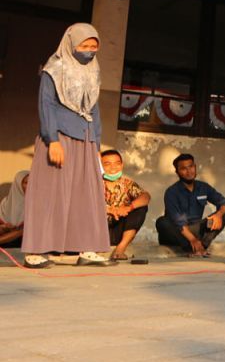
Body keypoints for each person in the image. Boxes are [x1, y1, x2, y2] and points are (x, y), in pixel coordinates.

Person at [21, 23, 110, 269]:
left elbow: (94, 108)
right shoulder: (55, 68)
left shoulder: (93, 70)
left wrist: (96, 142)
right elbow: (46, 105)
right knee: (49, 194)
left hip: (86, 138)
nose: (90, 51)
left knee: (86, 195)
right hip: (60, 136)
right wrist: (52, 140)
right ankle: (35, 251)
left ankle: (87, 248)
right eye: (84, 45)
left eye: (94, 46)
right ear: (71, 44)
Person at [155, 154, 225, 257]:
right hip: (176, 233)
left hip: (196, 229)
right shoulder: (171, 192)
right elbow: (178, 222)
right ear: (177, 172)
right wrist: (193, 239)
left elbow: (224, 201)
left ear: (195, 167)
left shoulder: (203, 187)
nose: (189, 171)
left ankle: (201, 247)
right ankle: (193, 248)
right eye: (183, 169)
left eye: (191, 166)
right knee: (162, 222)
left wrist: (219, 214)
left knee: (223, 215)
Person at [100, 149, 150, 260]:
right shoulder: (93, 183)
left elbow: (146, 197)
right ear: (100, 166)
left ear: (122, 165)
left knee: (140, 207)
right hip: (98, 231)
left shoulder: (128, 184)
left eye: (117, 163)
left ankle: (120, 248)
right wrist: (109, 210)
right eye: (107, 164)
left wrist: (128, 207)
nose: (113, 167)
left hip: (118, 232)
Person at [0, 170, 28, 248]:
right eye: (26, 183)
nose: (30, 186)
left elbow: (22, 231)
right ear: (17, 185)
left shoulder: (35, 205)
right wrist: (5, 228)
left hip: (22, 247)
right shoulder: (5, 203)